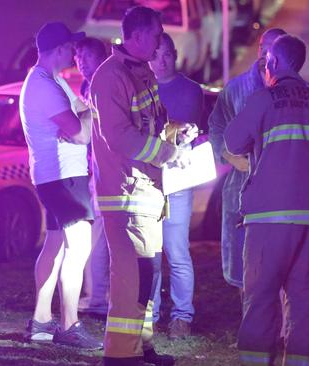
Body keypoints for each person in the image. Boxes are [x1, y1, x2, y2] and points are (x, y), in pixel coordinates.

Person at [223, 34, 309, 366]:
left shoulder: (263, 100)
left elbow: (233, 142)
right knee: (306, 306)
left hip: (268, 223)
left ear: (273, 63)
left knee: (261, 302)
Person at [90, 6, 193, 365]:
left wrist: (177, 131)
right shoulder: (110, 77)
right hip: (124, 193)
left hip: (144, 193)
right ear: (134, 36)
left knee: (145, 275)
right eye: (154, 34)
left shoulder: (140, 73)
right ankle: (120, 355)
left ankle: (141, 346)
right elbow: (119, 135)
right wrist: (167, 153)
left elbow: (151, 123)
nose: (160, 40)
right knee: (129, 277)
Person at [20, 21, 102, 350]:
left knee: (54, 244)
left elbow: (80, 116)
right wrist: (87, 116)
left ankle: (41, 321)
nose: (74, 51)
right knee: (78, 248)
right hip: (63, 178)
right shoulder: (45, 86)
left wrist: (82, 115)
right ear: (58, 50)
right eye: (70, 47)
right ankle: (70, 324)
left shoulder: (49, 81)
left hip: (56, 177)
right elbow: (82, 130)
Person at [208, 27, 286, 291]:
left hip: (280, 188)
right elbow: (216, 125)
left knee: (278, 261)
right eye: (264, 46)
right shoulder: (237, 88)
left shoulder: (294, 91)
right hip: (241, 186)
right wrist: (228, 155)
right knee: (244, 261)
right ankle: (249, 321)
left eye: (274, 48)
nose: (266, 53)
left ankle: (281, 327)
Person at [149, 32, 202, 339]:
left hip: (179, 179)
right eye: (156, 55)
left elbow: (193, 130)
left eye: (166, 53)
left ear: (175, 55)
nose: (161, 60)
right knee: (152, 252)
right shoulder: (143, 89)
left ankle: (182, 315)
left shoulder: (190, 90)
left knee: (177, 250)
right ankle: (152, 313)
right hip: (152, 180)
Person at [74, 36, 110, 316]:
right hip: (93, 169)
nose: (79, 62)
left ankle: (98, 297)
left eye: (85, 57)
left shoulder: (103, 85)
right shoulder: (87, 85)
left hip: (105, 172)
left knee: (100, 237)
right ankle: (98, 294)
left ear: (101, 58)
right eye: (77, 57)